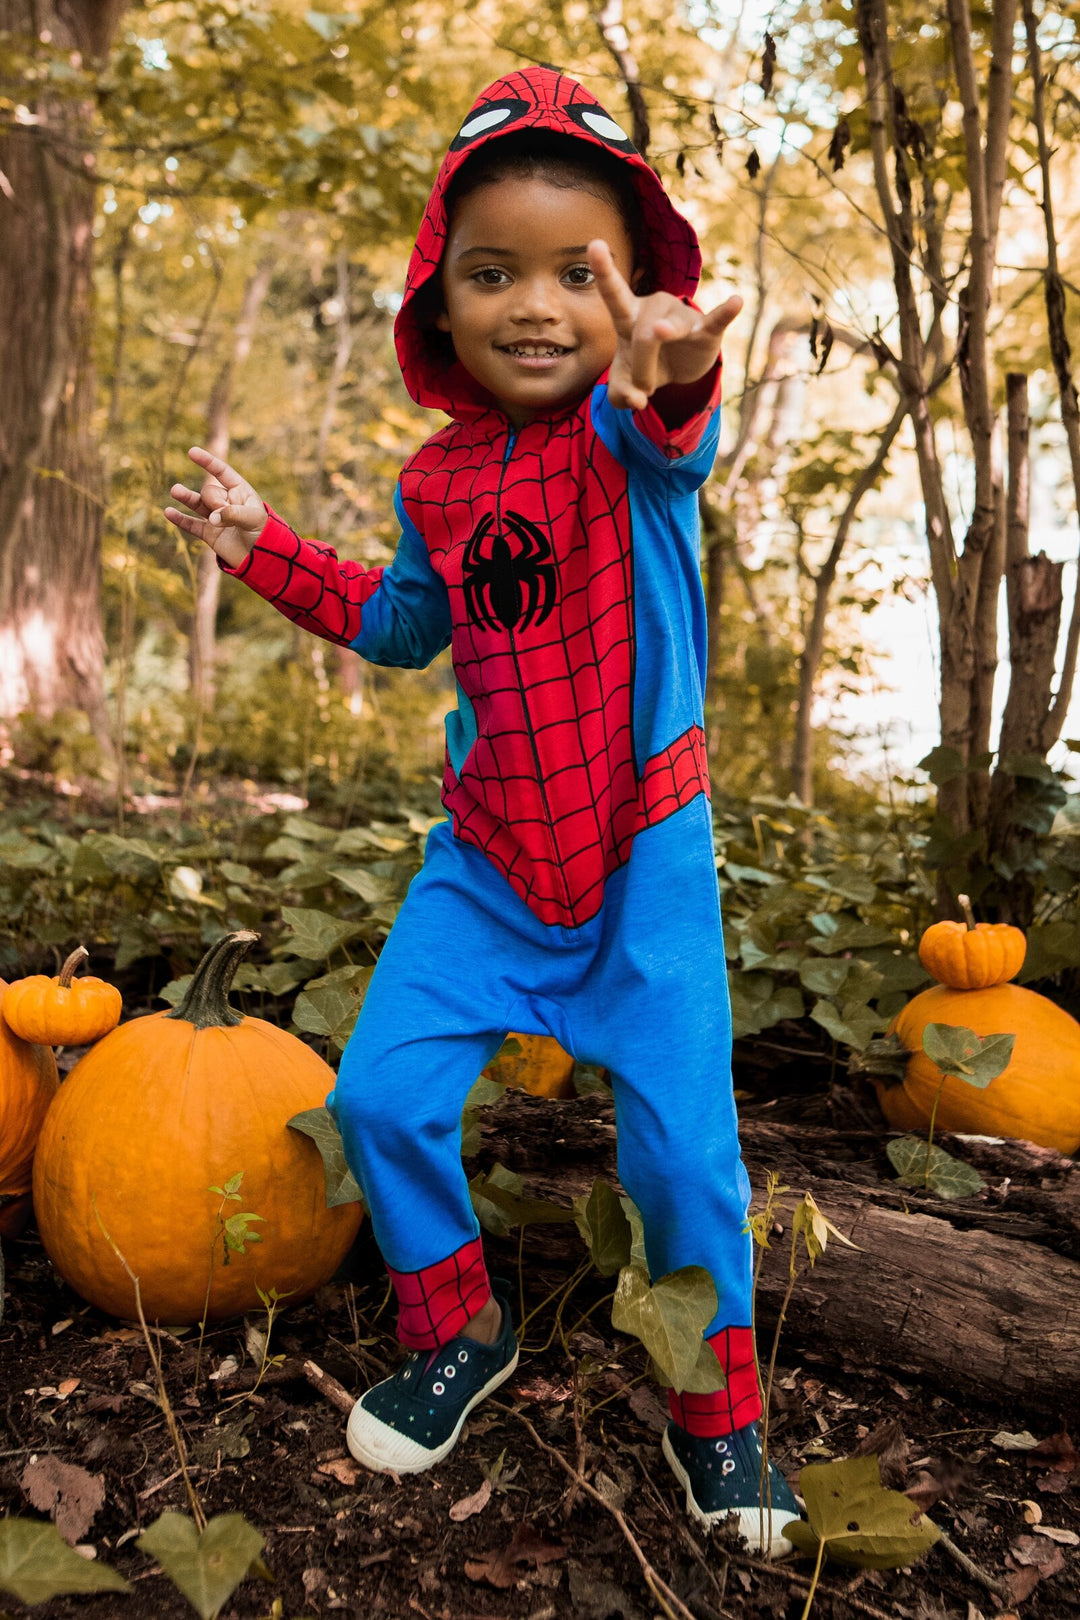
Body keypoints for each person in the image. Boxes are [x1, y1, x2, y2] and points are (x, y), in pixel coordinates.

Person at [165, 65, 799, 1556]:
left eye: (580, 276)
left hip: (643, 853)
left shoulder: (628, 449)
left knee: (683, 1153)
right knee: (379, 1093)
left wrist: (680, 370)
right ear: (435, 307)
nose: (534, 304)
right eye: (490, 271)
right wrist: (262, 545)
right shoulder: (436, 482)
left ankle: (721, 1413)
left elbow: (677, 430)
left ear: (637, 295)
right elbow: (399, 626)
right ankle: (459, 1326)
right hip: (490, 861)